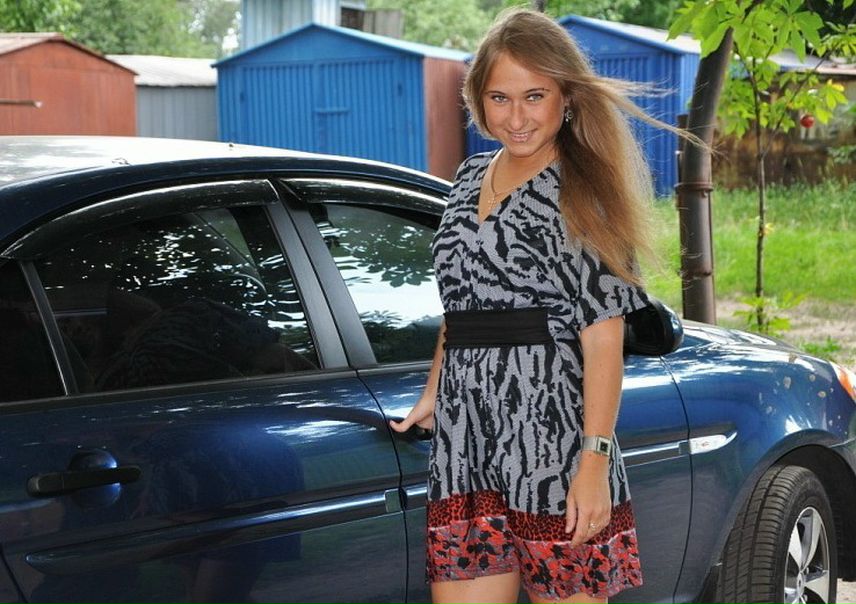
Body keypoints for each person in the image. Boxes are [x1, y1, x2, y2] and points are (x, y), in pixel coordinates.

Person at [391, 8, 692, 604]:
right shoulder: (467, 177)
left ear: (566, 97)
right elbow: (461, 306)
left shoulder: (585, 192)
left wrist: (593, 463)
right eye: (499, 98)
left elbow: (603, 337)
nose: (517, 116)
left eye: (535, 96)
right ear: (478, 99)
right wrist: (434, 391)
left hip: (553, 437)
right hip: (466, 440)